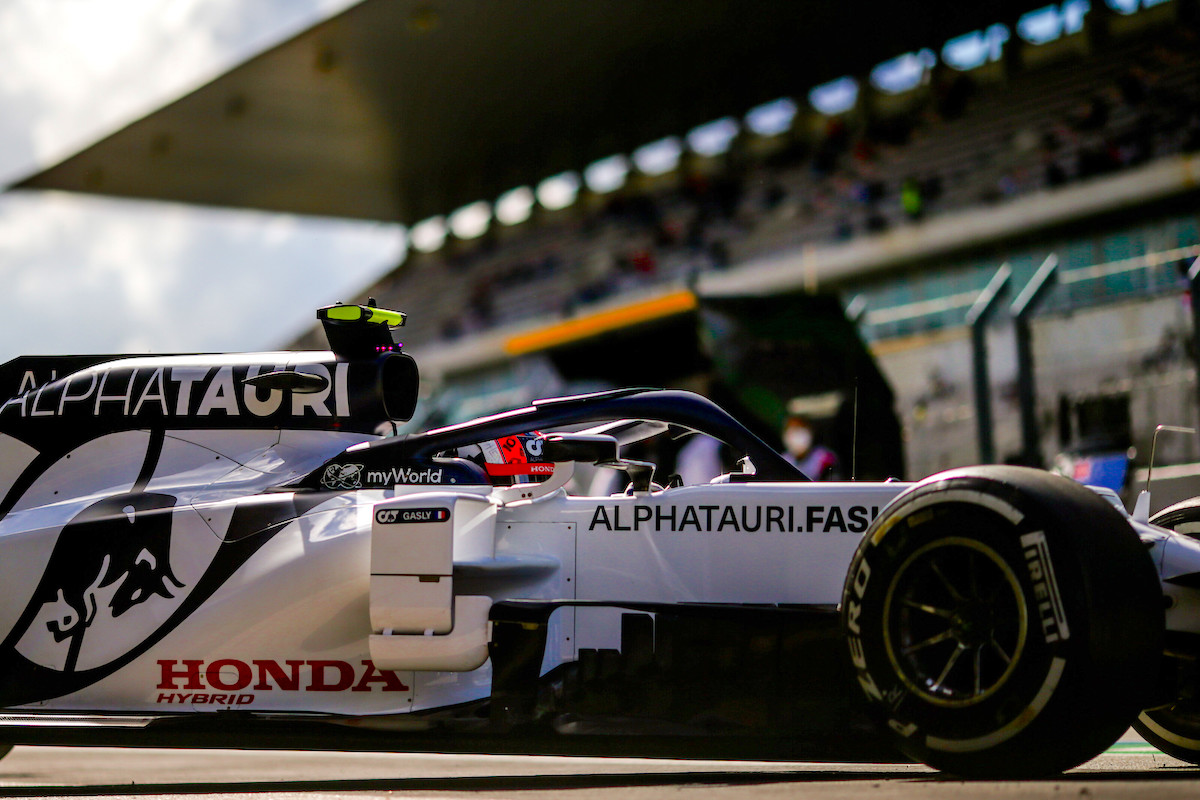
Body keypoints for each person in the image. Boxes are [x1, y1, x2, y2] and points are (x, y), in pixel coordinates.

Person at [782, 394, 841, 481]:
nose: (795, 435)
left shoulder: (824, 458)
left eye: (799, 429)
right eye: (791, 429)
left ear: (810, 431)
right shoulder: (783, 460)